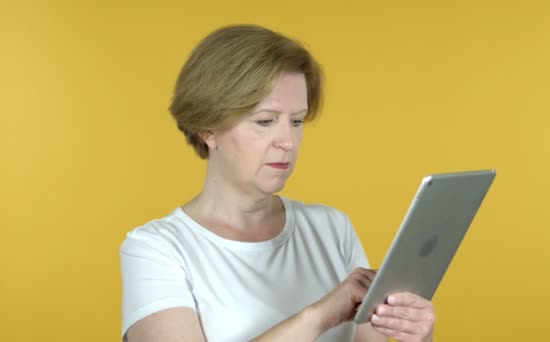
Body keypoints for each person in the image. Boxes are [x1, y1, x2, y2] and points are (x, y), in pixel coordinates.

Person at [120, 24, 435, 342]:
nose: (288, 141)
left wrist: (417, 334)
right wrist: (319, 316)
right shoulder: (157, 250)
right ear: (208, 129)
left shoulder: (332, 229)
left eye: (296, 120)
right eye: (265, 121)